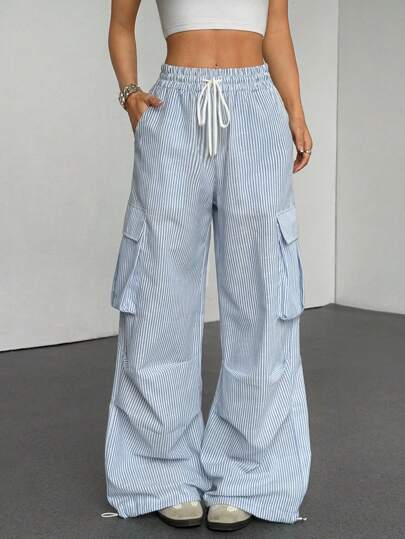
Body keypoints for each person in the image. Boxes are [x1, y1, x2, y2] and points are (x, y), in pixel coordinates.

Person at [104, 0, 312, 531]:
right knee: (158, 294)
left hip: (256, 107)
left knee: (262, 295)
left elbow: (277, 30)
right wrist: (130, 94)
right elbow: (121, 25)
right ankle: (159, 472)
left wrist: (294, 109)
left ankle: (251, 474)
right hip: (173, 107)